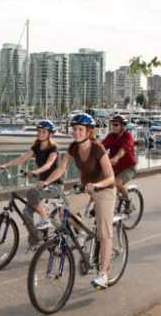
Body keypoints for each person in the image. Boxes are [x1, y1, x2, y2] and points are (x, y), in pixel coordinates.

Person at [38, 113, 117, 290]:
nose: (76, 132)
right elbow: (61, 168)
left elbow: (111, 177)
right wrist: (47, 182)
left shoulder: (98, 149)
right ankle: (82, 232)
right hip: (86, 188)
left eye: (80, 129)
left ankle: (103, 274)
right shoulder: (73, 147)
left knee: (104, 232)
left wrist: (97, 185)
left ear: (89, 132)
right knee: (63, 210)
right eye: (74, 129)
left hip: (105, 190)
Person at [0, 120, 61, 230]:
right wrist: (6, 165)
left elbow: (49, 164)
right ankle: (35, 238)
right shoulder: (36, 146)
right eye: (39, 131)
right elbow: (22, 158)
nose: (40, 133)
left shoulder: (53, 148)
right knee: (26, 213)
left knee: (31, 193)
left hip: (54, 185)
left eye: (44, 132)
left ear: (50, 134)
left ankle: (45, 219)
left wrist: (36, 172)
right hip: (42, 186)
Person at [101, 115, 137, 209]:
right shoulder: (111, 136)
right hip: (114, 168)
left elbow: (123, 150)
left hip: (128, 168)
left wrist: (116, 158)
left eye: (116, 125)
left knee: (117, 183)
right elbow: (102, 146)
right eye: (112, 125)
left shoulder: (128, 136)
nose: (114, 127)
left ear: (123, 126)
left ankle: (128, 203)